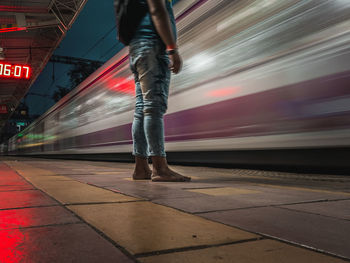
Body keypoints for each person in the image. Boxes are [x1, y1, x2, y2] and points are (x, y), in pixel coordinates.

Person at [127, 0, 191, 182]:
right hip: (154, 47)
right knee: (153, 107)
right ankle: (160, 168)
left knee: (141, 109)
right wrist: (172, 49)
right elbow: (158, 10)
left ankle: (141, 168)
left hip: (137, 49)